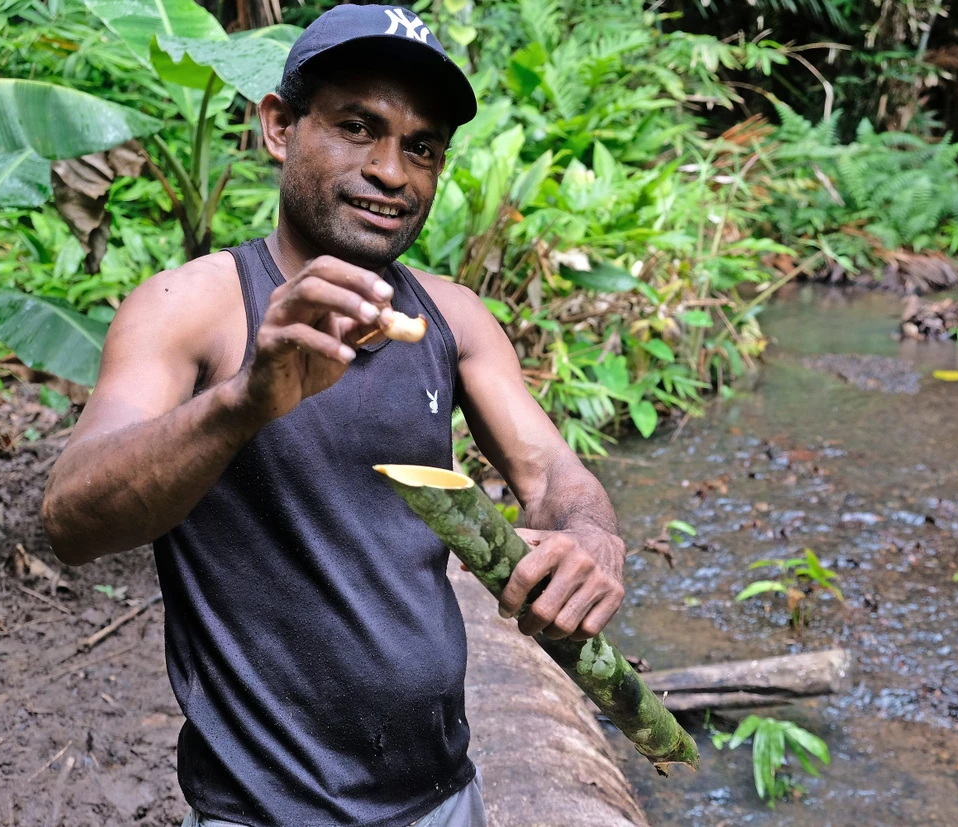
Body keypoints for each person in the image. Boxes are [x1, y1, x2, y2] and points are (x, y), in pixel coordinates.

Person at [40, 6, 626, 826]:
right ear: (279, 126)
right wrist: (246, 400)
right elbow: (71, 518)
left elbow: (554, 474)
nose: (392, 170)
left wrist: (592, 539)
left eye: (420, 146)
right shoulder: (191, 307)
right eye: (359, 127)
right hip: (264, 809)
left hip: (445, 795)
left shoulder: (454, 319)